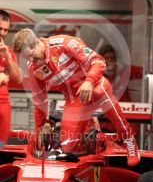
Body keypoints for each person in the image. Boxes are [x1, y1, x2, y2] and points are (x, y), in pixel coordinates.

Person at [13, 28, 140, 166]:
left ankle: (128, 138)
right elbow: (39, 98)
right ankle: (87, 131)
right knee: (68, 147)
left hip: (95, 84)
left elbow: (99, 61)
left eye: (32, 55)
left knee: (100, 90)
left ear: (37, 43)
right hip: (74, 99)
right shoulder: (33, 66)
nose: (32, 60)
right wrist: (39, 128)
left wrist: (89, 81)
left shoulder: (65, 43)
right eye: (27, 58)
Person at [99, 44, 142, 136]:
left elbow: (142, 72)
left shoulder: (123, 71)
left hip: (124, 112)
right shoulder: (96, 73)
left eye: (112, 58)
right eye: (106, 58)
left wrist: (121, 68)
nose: (109, 61)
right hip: (103, 117)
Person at [0, 10, 22, 144]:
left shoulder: (7, 51)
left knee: (1, 147)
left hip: (4, 105)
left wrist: (7, 57)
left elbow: (18, 78)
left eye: (5, 30)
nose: (2, 33)